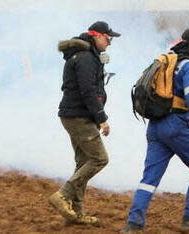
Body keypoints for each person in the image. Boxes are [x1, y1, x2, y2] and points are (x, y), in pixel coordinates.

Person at [122, 28, 189, 233]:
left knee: (149, 179)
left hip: (156, 127)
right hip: (175, 126)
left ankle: (133, 224)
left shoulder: (171, 61)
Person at [49, 21, 119, 225]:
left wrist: (100, 64)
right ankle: (62, 196)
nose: (110, 42)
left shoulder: (87, 57)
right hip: (79, 116)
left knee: (83, 162)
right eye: (108, 38)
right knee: (99, 159)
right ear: (97, 36)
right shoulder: (87, 58)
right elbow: (88, 91)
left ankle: (77, 213)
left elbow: (90, 87)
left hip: (75, 115)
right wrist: (102, 119)